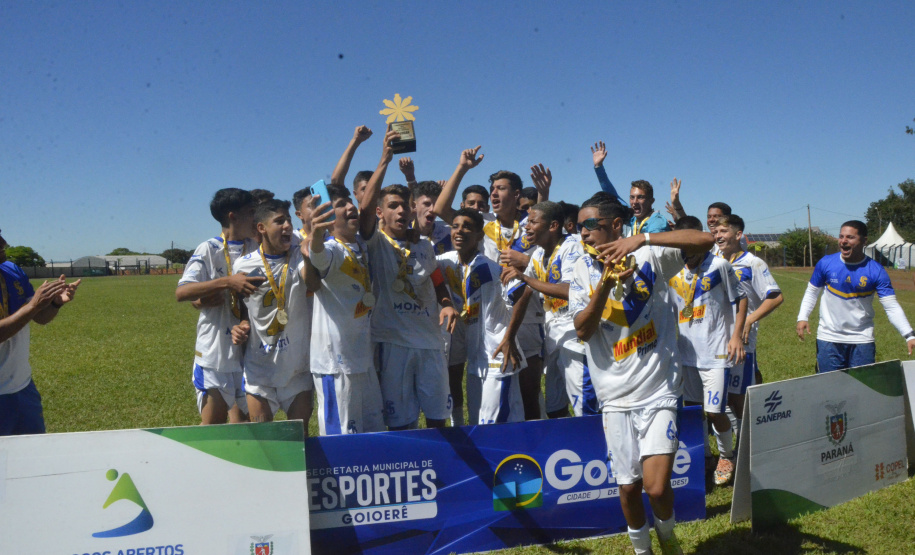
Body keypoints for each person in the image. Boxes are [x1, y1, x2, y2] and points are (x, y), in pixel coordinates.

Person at [570, 198, 713, 555]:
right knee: (629, 488)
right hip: (615, 397)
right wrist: (605, 282)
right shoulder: (580, 272)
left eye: (590, 224)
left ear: (616, 225)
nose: (583, 232)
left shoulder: (650, 256)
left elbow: (705, 240)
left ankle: (667, 536)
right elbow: (583, 330)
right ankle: (642, 551)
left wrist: (645, 239)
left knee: (657, 488)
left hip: (659, 389)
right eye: (579, 227)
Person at [305, 129, 399, 434]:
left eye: (351, 203)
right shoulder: (331, 250)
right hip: (335, 364)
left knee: (373, 431)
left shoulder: (362, 245)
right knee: (341, 438)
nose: (351, 207)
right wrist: (316, 234)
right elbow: (317, 256)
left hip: (363, 359)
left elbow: (369, 204)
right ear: (331, 218)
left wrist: (385, 160)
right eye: (342, 205)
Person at [362, 179, 459, 430]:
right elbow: (364, 215)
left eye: (405, 206)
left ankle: (441, 465)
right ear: (379, 212)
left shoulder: (423, 245)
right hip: (394, 343)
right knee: (400, 422)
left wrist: (446, 303)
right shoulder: (374, 243)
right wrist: (385, 160)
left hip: (430, 342)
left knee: (439, 418)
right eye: (393, 206)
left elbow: (436, 280)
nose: (401, 211)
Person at [669, 216, 747, 486]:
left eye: (686, 244)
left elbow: (741, 298)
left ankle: (727, 456)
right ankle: (705, 457)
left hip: (716, 354)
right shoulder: (674, 271)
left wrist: (736, 336)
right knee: (693, 411)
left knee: (715, 411)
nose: (682, 251)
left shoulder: (719, 266)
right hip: (686, 355)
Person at [176, 188, 264, 424]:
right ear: (232, 216)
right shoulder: (209, 249)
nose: (255, 218)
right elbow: (182, 291)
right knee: (212, 428)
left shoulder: (257, 249)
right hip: (215, 352)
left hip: (248, 351)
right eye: (250, 212)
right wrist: (226, 282)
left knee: (245, 428)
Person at [438, 208, 527, 424]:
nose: (459, 231)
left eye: (467, 226)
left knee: (497, 425)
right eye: (456, 226)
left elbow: (524, 292)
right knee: (479, 422)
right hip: (476, 360)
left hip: (498, 358)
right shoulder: (447, 261)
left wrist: (509, 337)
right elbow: (425, 264)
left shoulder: (490, 268)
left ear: (480, 235)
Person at [231, 199, 314, 429]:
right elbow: (244, 310)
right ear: (261, 228)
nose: (287, 225)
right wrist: (242, 325)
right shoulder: (242, 266)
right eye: (279, 221)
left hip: (296, 367)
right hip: (260, 368)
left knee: (300, 437)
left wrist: (311, 247)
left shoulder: (299, 256)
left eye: (288, 219)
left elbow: (313, 282)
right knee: (264, 440)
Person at [501, 201, 585, 418]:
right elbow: (525, 295)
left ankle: (597, 451)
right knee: (554, 408)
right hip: (554, 339)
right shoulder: (538, 254)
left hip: (576, 340)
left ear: (553, 225)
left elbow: (568, 290)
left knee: (584, 407)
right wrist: (509, 336)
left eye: (533, 222)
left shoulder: (572, 246)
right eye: (527, 221)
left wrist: (525, 277)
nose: (526, 227)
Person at [796, 220, 915, 372]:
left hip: (862, 339)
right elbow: (812, 292)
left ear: (864, 241)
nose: (843, 241)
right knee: (829, 389)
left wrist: (909, 334)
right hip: (829, 338)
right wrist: (802, 317)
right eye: (841, 236)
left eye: (850, 237)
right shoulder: (826, 263)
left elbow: (891, 306)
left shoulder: (876, 270)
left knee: (862, 389)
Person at [1, 229, 81, 436]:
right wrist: (33, 306)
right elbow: (31, 311)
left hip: (23, 388)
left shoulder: (11, 271)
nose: (3, 242)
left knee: (34, 458)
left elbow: (38, 318)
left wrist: (54, 304)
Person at [714, 214, 783, 434]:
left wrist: (750, 319)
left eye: (723, 231)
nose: (718, 236)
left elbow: (775, 297)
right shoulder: (714, 259)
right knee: (718, 400)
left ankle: (751, 449)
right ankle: (732, 448)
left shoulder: (753, 263)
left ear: (738, 234)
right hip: (715, 340)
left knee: (738, 398)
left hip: (742, 343)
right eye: (715, 232)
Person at [589, 140, 671, 236]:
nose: (634, 202)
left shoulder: (657, 222)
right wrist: (599, 167)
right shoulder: (632, 218)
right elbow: (611, 194)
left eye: (640, 197)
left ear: (651, 201)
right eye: (632, 197)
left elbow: (652, 247)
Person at [330, 125, 374, 204]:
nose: (369, 192)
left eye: (374, 188)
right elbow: (336, 181)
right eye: (364, 189)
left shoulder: (388, 216)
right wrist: (356, 140)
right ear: (355, 194)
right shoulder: (351, 215)